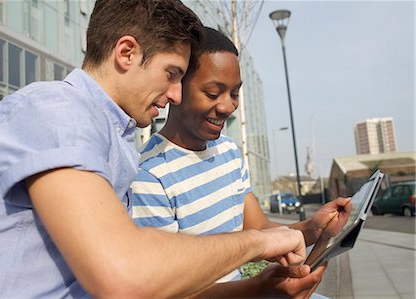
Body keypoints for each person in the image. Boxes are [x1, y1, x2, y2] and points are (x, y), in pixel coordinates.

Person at [0, 1, 309, 298]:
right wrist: (257, 243)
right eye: (172, 73)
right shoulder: (54, 111)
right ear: (126, 53)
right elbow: (121, 274)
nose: (176, 94)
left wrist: (260, 286)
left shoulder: (114, 137)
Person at [131, 27, 352, 297]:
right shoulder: (149, 176)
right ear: (176, 88)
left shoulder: (228, 151)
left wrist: (312, 229)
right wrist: (259, 290)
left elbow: (258, 229)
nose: (227, 106)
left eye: (234, 93)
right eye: (213, 94)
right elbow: (165, 291)